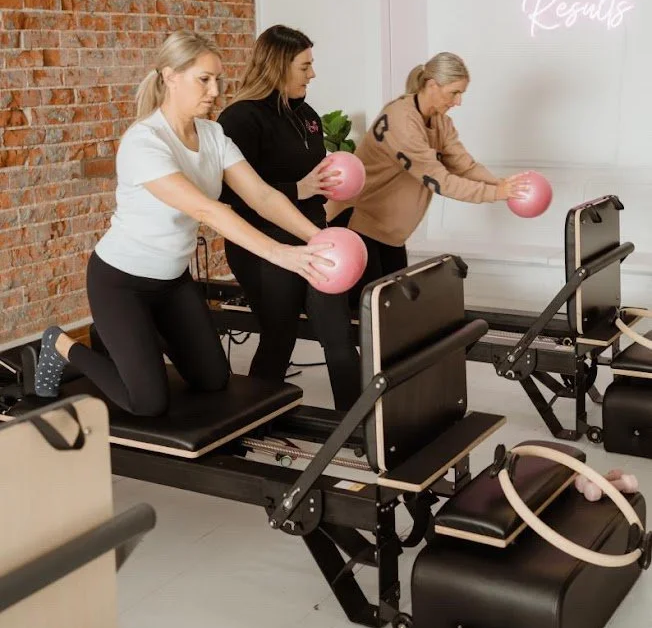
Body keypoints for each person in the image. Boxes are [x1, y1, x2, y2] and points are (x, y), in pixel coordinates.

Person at [33, 29, 336, 416]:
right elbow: (209, 211)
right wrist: (284, 255)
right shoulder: (145, 143)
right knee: (146, 403)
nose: (215, 90)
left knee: (213, 379)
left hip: (173, 282)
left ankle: (127, 336)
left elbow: (261, 196)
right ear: (170, 77)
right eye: (204, 79)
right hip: (121, 282)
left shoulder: (213, 134)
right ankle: (60, 344)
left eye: (218, 80)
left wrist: (318, 238)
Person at [218, 25, 361, 411]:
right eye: (304, 66)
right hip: (264, 245)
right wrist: (297, 188)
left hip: (315, 237)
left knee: (339, 336)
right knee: (279, 337)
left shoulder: (308, 115)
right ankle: (250, 425)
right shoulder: (239, 119)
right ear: (279, 66)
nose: (312, 74)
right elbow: (224, 191)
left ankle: (362, 430)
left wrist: (327, 186)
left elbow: (311, 176)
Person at [327, 52, 528, 301]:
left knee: (393, 316)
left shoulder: (440, 123)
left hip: (389, 233)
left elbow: (464, 165)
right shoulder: (401, 120)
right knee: (370, 318)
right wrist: (497, 194)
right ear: (432, 85)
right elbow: (440, 180)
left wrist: (501, 183)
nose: (459, 101)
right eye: (454, 92)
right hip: (358, 224)